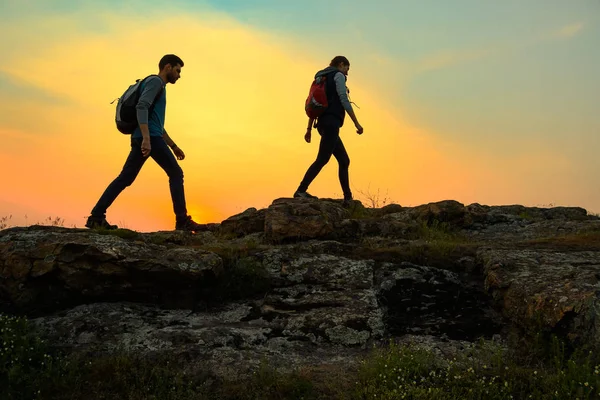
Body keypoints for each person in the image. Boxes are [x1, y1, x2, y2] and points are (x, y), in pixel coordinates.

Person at [85, 54, 203, 232]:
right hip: (149, 139)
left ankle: (96, 216)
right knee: (176, 173)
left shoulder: (157, 86)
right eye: (178, 70)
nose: (179, 75)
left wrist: (173, 146)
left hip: (145, 137)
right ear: (167, 67)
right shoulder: (155, 82)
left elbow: (156, 123)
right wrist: (147, 139)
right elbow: (141, 106)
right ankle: (182, 221)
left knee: (126, 178)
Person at [294, 56, 364, 205]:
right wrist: (356, 124)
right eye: (347, 68)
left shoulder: (322, 78)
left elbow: (316, 103)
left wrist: (309, 129)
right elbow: (344, 99)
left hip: (323, 124)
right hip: (331, 123)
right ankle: (300, 190)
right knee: (323, 159)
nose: (347, 73)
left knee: (344, 160)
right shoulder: (338, 76)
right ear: (341, 64)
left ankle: (348, 198)